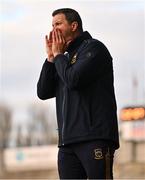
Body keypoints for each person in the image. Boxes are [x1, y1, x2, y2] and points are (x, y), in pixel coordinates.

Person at [37, 8, 119, 179]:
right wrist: (51, 58)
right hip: (67, 144)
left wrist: (59, 55)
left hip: (94, 137)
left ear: (74, 25)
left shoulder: (94, 48)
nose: (53, 30)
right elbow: (43, 92)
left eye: (58, 24)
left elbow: (74, 80)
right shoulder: (62, 59)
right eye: (52, 25)